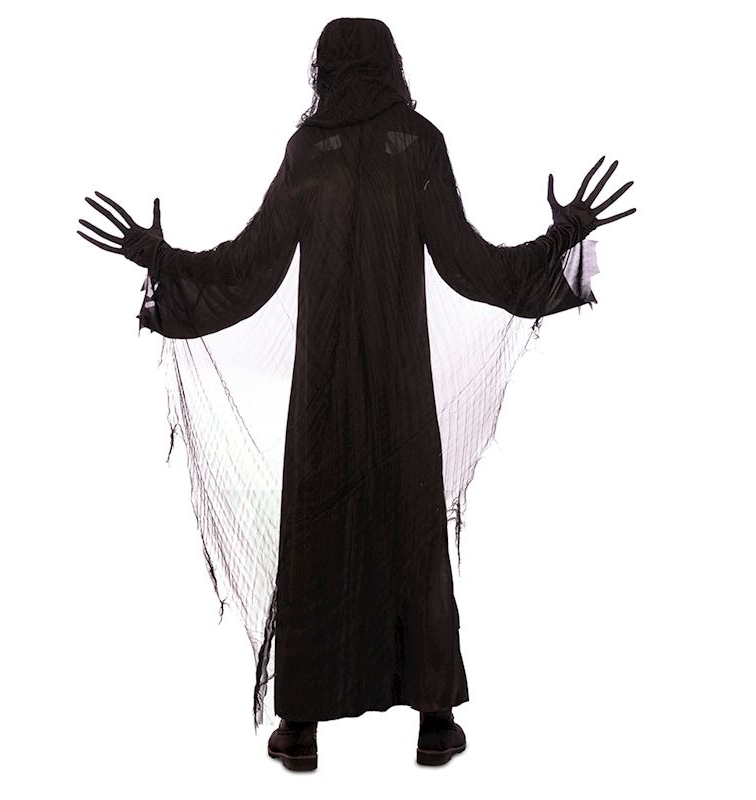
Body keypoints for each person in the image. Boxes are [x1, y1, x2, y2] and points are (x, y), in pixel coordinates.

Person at [77, 17, 635, 770]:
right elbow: (471, 264)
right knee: (411, 532)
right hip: (401, 387)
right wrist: (558, 243)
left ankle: (300, 726)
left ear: (324, 69)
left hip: (325, 392)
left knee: (317, 533)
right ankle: (435, 721)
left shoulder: (311, 151)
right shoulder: (418, 143)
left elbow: (249, 266)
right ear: (391, 65)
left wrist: (164, 261)